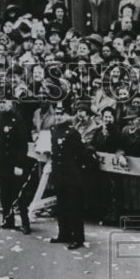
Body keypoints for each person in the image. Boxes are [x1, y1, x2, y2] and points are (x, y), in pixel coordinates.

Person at [0, 87, 36, 232]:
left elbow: (22, 144)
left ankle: (25, 223)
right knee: (4, 193)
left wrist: (19, 164)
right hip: (0, 162)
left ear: (11, 103)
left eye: (4, 102)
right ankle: (8, 220)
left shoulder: (17, 119)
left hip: (14, 163)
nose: (2, 105)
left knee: (18, 194)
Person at [48, 101, 91, 249]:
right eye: (56, 114)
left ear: (67, 115)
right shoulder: (54, 130)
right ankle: (63, 234)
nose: (58, 117)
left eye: (61, 114)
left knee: (74, 207)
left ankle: (77, 238)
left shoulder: (72, 133)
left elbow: (82, 155)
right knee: (62, 206)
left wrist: (77, 173)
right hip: (59, 174)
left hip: (72, 176)